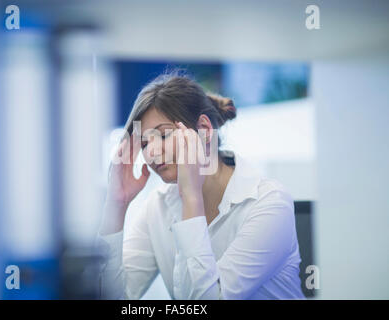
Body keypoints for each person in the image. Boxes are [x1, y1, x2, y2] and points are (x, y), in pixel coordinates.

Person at [97, 72, 305, 300]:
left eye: (164, 135)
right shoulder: (158, 206)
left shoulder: (269, 202)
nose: (152, 152)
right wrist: (117, 203)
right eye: (145, 143)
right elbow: (108, 297)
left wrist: (191, 196)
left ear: (204, 131)